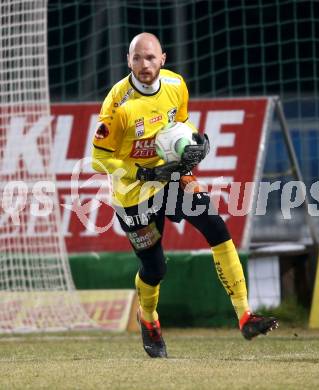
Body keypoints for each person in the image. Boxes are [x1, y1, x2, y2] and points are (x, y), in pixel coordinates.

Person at [91, 32, 278, 358]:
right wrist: (142, 172)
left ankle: (245, 315)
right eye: (137, 58)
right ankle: (148, 319)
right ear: (128, 61)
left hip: (172, 178)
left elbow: (180, 125)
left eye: (150, 58)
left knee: (217, 228)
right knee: (155, 269)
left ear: (163, 59)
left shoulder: (176, 85)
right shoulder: (117, 104)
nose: (144, 64)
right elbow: (98, 158)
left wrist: (193, 145)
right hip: (133, 195)